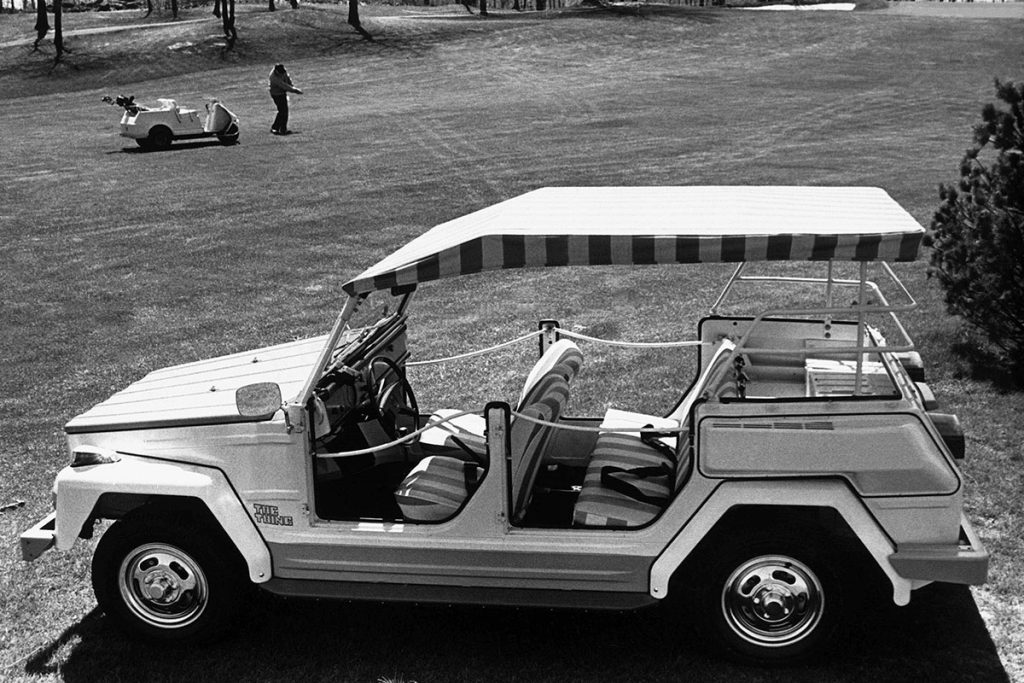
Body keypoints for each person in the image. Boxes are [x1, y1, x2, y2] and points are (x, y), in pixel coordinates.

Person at [268, 64, 303, 135]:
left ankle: (282, 129)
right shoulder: (273, 77)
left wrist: (292, 85)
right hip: (276, 94)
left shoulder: (283, 71)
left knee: (284, 111)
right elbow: (283, 85)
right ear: (276, 71)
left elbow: (287, 78)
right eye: (280, 72)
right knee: (282, 111)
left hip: (282, 93)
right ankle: (275, 128)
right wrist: (295, 90)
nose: (282, 73)